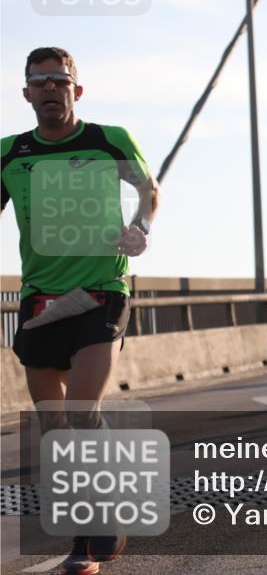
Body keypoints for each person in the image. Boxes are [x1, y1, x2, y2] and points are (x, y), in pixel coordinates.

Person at [2, 47, 160, 574]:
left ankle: (86, 541)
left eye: (59, 80)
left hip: (101, 290)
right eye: (39, 81)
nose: (50, 88)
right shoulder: (9, 153)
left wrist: (141, 227)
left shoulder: (107, 140)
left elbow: (148, 190)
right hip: (40, 300)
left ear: (77, 90)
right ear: (26, 93)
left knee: (81, 413)